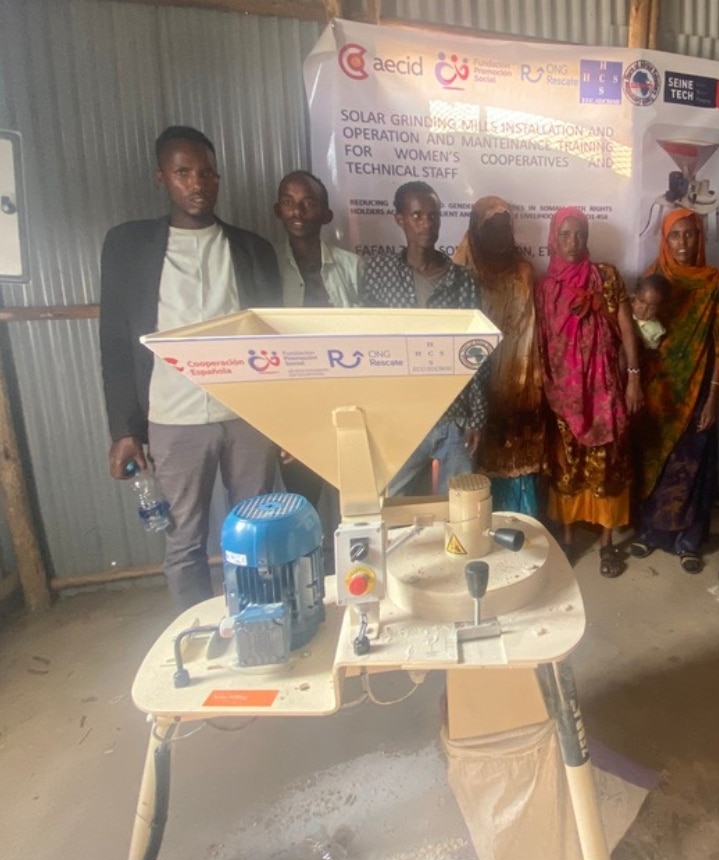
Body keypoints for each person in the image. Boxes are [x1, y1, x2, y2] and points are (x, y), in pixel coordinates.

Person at [100, 125, 280, 614]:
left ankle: (258, 623)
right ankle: (195, 632)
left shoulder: (253, 249)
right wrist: (124, 430)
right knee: (184, 541)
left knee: (255, 533)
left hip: (247, 417)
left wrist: (281, 418)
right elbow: (114, 342)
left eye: (206, 172)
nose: (197, 183)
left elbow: (274, 342)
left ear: (217, 178)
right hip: (173, 418)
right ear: (162, 177)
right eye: (183, 172)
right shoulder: (128, 247)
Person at [360, 181, 485, 496]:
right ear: (399, 219)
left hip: (453, 416)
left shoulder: (461, 281)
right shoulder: (379, 274)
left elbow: (475, 353)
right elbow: (368, 345)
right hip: (399, 416)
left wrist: (477, 418)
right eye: (416, 215)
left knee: (459, 506)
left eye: (433, 216)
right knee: (392, 506)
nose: (426, 224)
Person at [535, 207, 642, 577]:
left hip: (604, 390)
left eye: (579, 234)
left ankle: (607, 543)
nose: (572, 242)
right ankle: (567, 539)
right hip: (564, 395)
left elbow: (626, 327)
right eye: (564, 234)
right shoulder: (545, 287)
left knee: (607, 463)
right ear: (553, 238)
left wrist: (633, 377)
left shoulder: (605, 276)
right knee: (567, 467)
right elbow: (542, 341)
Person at [630, 209, 719, 573]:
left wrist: (714, 395)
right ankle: (648, 532)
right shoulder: (652, 278)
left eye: (690, 234)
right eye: (675, 235)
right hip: (656, 390)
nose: (683, 242)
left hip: (697, 389)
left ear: (699, 238)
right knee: (653, 461)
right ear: (665, 239)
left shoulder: (713, 281)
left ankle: (688, 542)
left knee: (693, 463)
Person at [272, 169, 361, 509]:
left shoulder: (352, 267)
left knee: (356, 507)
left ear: (325, 214)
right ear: (278, 210)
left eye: (308, 203)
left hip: (347, 404)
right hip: (294, 409)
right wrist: (280, 425)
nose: (297, 211)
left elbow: (367, 339)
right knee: (301, 506)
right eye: (288, 202)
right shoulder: (266, 265)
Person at [454, 196, 545, 515]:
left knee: (517, 454)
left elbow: (531, 326)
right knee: (475, 456)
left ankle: (521, 522)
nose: (500, 234)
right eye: (491, 227)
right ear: (476, 229)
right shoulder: (461, 270)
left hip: (518, 380)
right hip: (475, 379)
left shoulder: (524, 271)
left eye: (506, 227)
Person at [630, 273, 671, 350]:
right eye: (641, 301)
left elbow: (653, 350)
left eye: (652, 308)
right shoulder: (627, 311)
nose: (644, 309)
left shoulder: (656, 329)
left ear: (660, 309)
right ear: (635, 297)